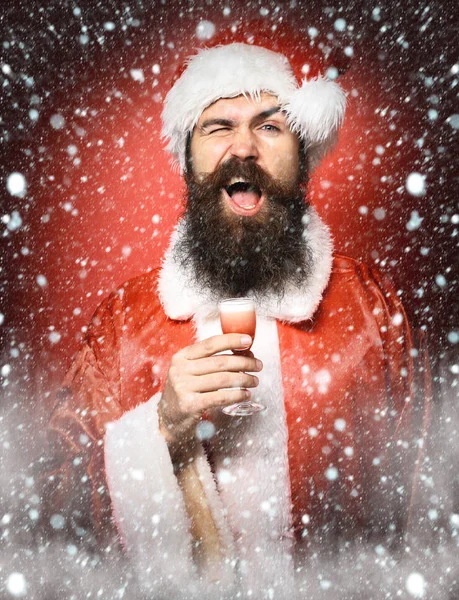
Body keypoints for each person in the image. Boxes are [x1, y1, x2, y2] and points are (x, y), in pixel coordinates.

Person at [43, 43, 431, 599]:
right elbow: (58, 518)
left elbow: (423, 499)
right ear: (188, 157)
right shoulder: (125, 321)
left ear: (301, 154)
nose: (243, 147)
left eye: (269, 128)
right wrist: (159, 433)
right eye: (218, 127)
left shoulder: (370, 307)